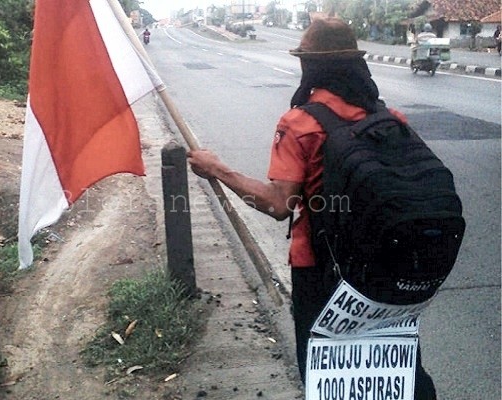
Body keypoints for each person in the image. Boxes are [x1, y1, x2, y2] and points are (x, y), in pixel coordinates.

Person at [187, 17, 438, 399]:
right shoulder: (390, 118)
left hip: (323, 268)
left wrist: (217, 169)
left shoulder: (300, 123)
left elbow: (278, 204)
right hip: (391, 264)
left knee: (328, 370)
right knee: (392, 361)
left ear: (311, 65)